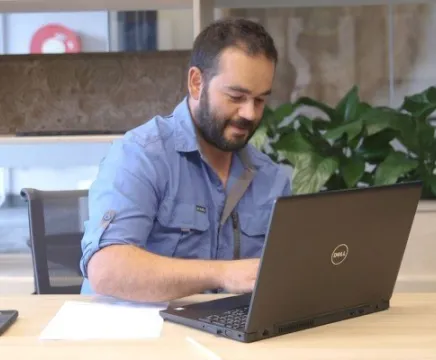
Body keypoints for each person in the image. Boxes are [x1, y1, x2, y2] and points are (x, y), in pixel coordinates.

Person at [79, 17, 291, 302]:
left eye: (260, 100)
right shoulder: (140, 155)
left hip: (231, 340)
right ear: (196, 83)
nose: (250, 113)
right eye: (236, 96)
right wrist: (222, 274)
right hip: (139, 338)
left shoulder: (271, 177)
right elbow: (107, 269)